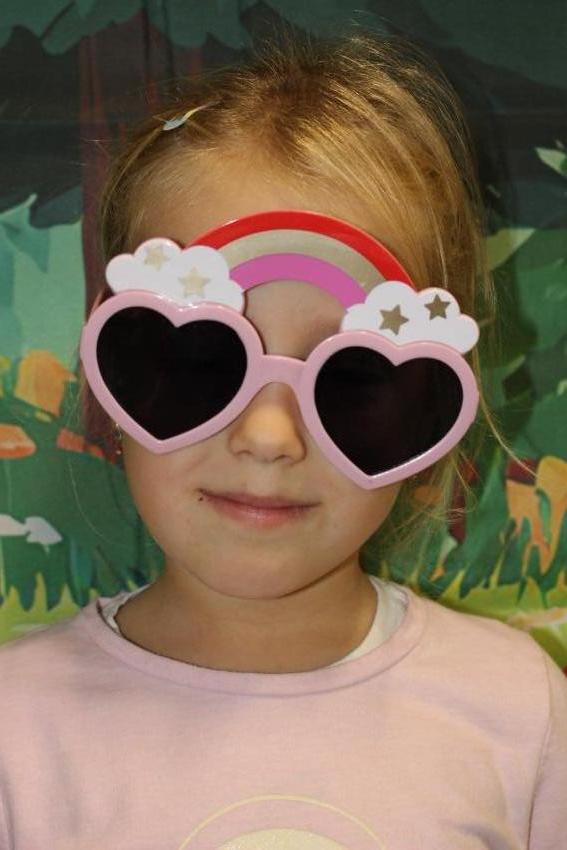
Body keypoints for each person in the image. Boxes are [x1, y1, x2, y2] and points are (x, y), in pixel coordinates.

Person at [0, 33, 566, 850]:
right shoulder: (18, 731)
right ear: (111, 367)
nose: (269, 437)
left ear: (431, 408)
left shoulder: (519, 714)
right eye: (202, 361)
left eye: (352, 378)